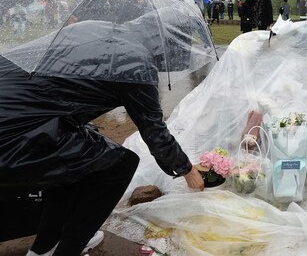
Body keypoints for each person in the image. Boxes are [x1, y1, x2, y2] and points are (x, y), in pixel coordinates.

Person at [0, 19, 205, 256]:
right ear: (167, 44)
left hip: (24, 117)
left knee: (67, 167)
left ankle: (42, 249)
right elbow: (155, 133)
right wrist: (187, 170)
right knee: (121, 165)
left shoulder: (93, 27)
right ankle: (68, 249)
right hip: (16, 137)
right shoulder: (137, 62)